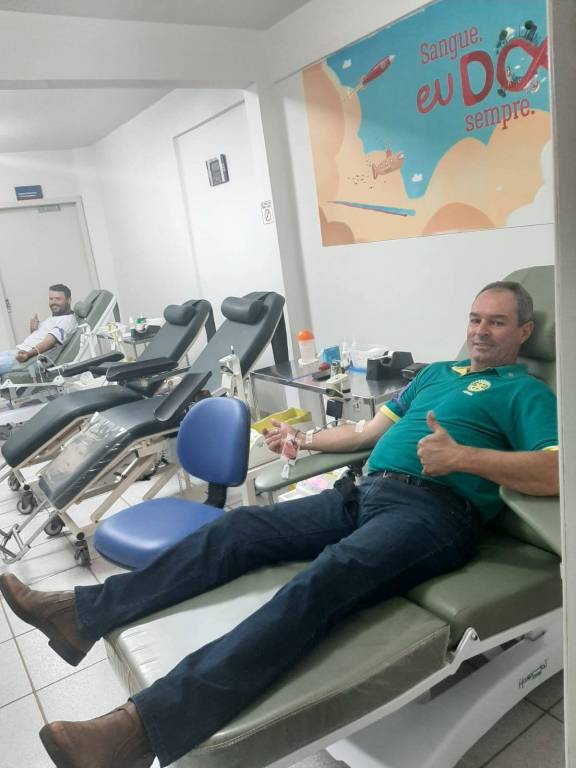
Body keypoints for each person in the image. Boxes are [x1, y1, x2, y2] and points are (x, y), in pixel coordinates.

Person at [0, 281, 559, 768]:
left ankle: (138, 731)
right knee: (236, 528)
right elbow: (364, 433)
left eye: (497, 322)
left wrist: (463, 458)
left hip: (435, 513)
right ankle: (80, 615)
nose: (481, 330)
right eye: (475, 318)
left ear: (524, 332)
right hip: (364, 492)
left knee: (323, 579)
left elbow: (557, 471)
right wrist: (304, 438)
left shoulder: (526, 391)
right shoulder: (436, 373)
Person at [0, 283, 77, 377]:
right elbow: (41, 341)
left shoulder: (67, 321)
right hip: (19, 351)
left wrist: (28, 354)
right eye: (51, 299)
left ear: (68, 300)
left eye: (58, 299)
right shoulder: (55, 318)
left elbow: (49, 342)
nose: (53, 302)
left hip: (30, 360)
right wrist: (33, 330)